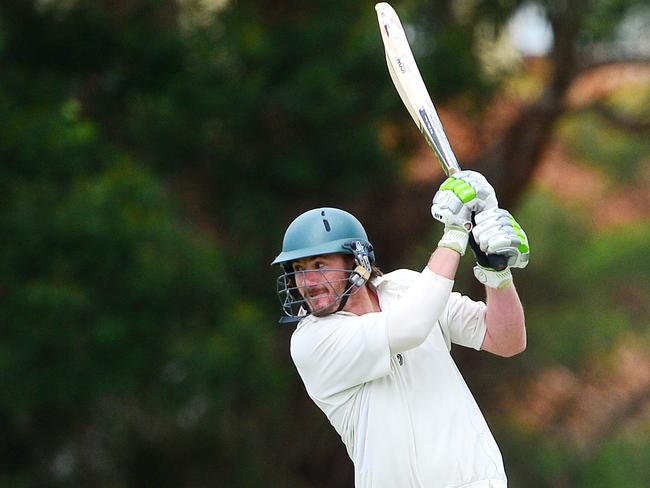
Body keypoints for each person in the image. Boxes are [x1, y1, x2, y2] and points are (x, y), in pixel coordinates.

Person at [272, 170, 529, 488]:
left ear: (358, 261)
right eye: (299, 270)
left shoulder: (408, 286)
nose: (307, 282)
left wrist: (497, 272)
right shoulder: (312, 340)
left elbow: (506, 340)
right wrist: (456, 232)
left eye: (320, 266)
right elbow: (410, 326)